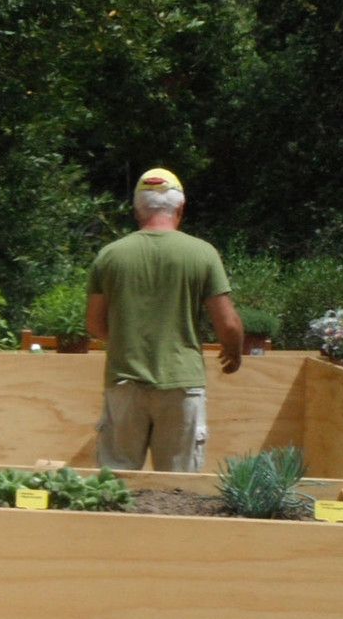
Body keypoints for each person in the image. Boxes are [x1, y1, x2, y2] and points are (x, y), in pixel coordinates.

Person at [86, 167, 242, 473]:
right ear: (180, 208)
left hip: (124, 381)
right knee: (179, 488)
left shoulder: (109, 256)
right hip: (182, 384)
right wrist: (233, 352)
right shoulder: (202, 253)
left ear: (136, 210)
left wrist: (127, 341)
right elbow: (229, 324)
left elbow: (94, 323)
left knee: (116, 483)